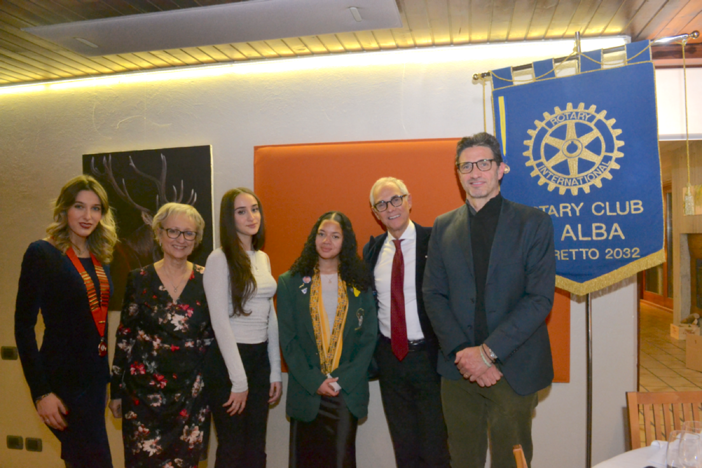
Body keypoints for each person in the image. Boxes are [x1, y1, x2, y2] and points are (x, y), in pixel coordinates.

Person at [423, 132, 555, 468]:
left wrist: (487, 353)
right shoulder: (442, 226)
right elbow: (433, 294)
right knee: (462, 460)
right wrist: (464, 355)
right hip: (458, 370)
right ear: (458, 173)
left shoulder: (534, 223)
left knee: (511, 462)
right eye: (466, 166)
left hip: (513, 368)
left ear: (501, 169)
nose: (474, 172)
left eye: (484, 163)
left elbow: (539, 299)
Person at [15, 175, 118, 468]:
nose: (88, 216)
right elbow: (23, 328)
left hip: (95, 382)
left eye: (96, 208)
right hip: (62, 382)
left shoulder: (101, 256)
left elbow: (100, 324)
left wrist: (108, 382)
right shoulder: (41, 253)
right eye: (79, 207)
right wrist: (41, 393)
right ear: (64, 210)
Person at [109, 202, 214, 467]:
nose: (181, 239)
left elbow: (215, 340)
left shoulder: (209, 280)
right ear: (158, 233)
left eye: (188, 233)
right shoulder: (138, 279)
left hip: (192, 401)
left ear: (197, 239)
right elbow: (125, 337)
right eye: (173, 231)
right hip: (143, 400)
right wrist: (116, 392)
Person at [277, 211, 378, 468]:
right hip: (307, 391)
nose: (326, 241)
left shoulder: (361, 285)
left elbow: (368, 339)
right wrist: (315, 381)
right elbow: (288, 341)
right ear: (314, 237)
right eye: (322, 234)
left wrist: (340, 380)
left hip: (344, 393)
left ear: (345, 242)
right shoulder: (290, 283)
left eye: (335, 236)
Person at [362, 177, 450, 468]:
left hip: (429, 358)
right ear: (376, 213)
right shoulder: (373, 251)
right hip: (390, 359)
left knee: (436, 445)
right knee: (404, 446)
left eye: (396, 199)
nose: (391, 208)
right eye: (382, 204)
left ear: (409, 200)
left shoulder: (436, 240)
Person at [203, 188, 282, 468]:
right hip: (227, 364)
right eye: (241, 211)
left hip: (259, 360)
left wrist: (274, 370)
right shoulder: (219, 258)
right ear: (229, 218)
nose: (251, 216)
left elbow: (269, 315)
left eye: (255, 208)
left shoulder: (262, 258)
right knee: (233, 449)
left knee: (256, 450)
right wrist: (238, 380)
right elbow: (219, 322)